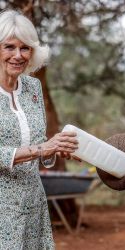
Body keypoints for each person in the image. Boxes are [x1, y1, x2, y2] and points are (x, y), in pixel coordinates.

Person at [0, 10, 79, 249]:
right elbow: (37, 147)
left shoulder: (33, 87)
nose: (18, 55)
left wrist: (57, 147)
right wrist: (41, 148)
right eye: (9, 47)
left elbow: (40, 143)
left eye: (25, 48)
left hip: (33, 203)